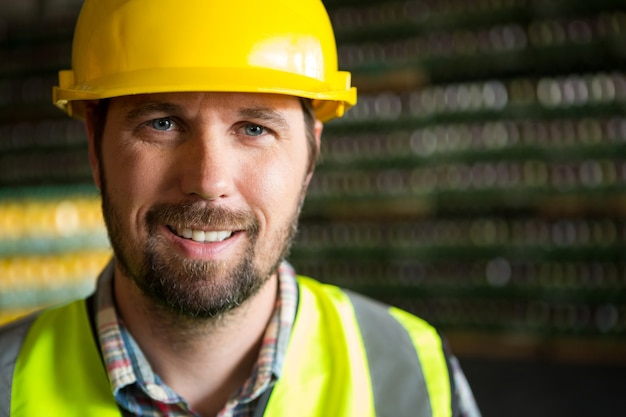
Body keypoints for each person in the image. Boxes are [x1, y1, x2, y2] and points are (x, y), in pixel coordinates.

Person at [0, 0, 481, 416]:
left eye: (254, 128)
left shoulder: (412, 372)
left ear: (311, 155)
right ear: (94, 147)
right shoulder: (6, 384)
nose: (209, 182)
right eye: (162, 123)